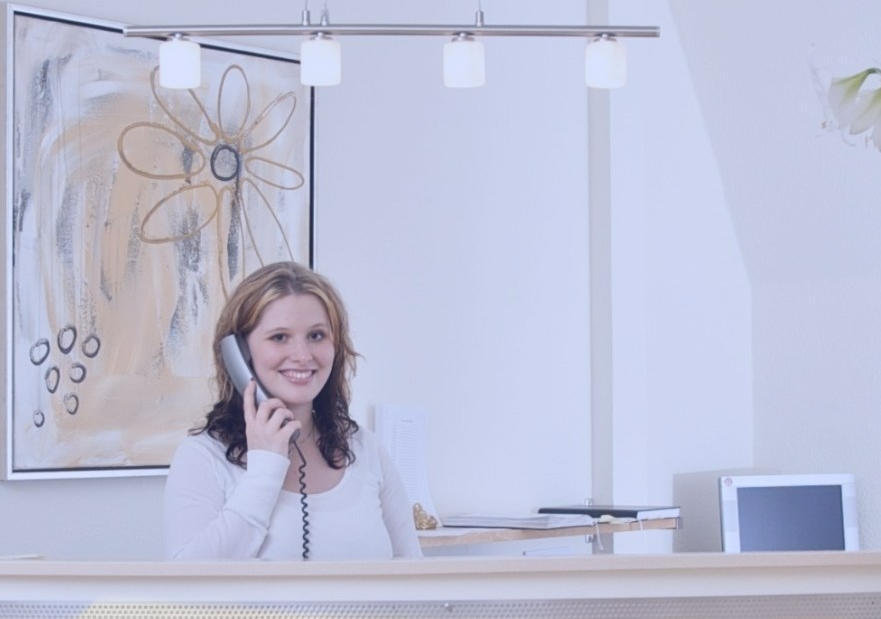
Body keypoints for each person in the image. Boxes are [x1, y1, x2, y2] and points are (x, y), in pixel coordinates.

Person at [163, 261, 422, 560]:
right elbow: (190, 578)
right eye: (279, 337)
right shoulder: (203, 456)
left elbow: (414, 573)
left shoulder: (365, 448)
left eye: (316, 336)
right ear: (238, 353)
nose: (302, 355)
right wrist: (265, 468)